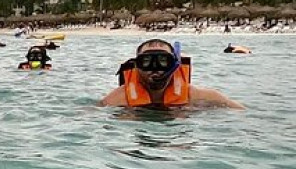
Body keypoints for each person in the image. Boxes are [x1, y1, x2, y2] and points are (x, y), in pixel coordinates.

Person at [99, 39, 244, 109]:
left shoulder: (202, 97)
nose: (155, 68)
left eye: (163, 61)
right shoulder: (115, 100)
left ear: (175, 64)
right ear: (136, 66)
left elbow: (241, 112)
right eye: (147, 61)